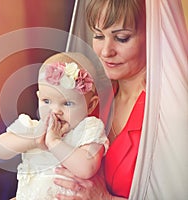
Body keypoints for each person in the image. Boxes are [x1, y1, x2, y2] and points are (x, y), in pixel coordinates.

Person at [53, 0, 147, 199]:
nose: (105, 52)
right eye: (98, 35)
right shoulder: (93, 98)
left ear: (153, 37)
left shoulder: (172, 111)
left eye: (122, 38)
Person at [0, 52, 109, 199]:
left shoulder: (88, 129)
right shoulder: (33, 127)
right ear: (39, 98)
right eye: (47, 101)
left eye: (67, 103)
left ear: (90, 105)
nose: (55, 111)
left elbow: (87, 168)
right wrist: (34, 140)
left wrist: (54, 143)